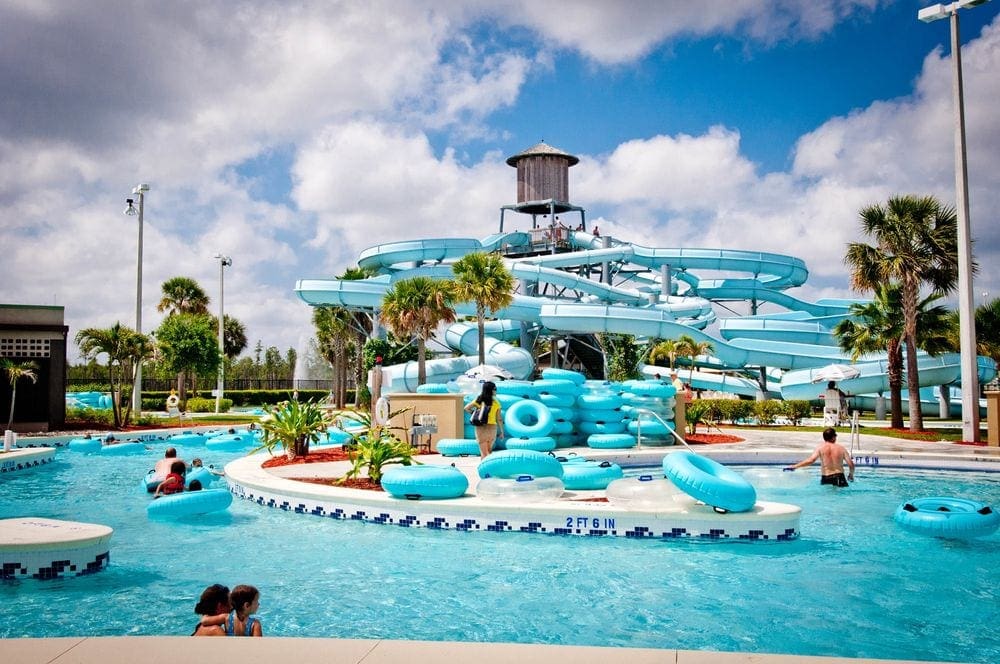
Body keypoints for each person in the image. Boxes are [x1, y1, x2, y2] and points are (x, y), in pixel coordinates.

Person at [785, 427, 855, 487]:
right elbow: (851, 464)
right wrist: (851, 475)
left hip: (827, 477)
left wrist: (795, 466)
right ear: (833, 437)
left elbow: (811, 460)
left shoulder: (820, 448)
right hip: (840, 477)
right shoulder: (841, 448)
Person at [464, 381, 504, 458]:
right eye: (495, 389)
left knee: (483, 453)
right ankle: (489, 469)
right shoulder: (496, 403)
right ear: (490, 390)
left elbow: (466, 408)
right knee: (489, 452)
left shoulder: (479, 400)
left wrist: (474, 413)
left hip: (480, 427)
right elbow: (499, 419)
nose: (496, 391)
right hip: (492, 428)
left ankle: (484, 469)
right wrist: (502, 432)